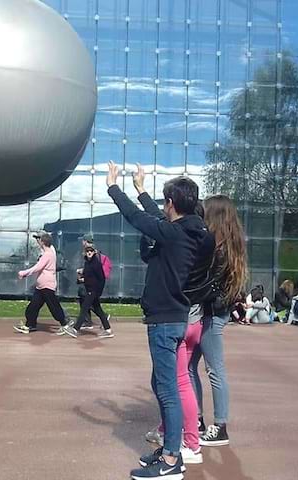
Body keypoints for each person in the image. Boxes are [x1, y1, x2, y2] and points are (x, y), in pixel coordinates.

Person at [106, 161, 208, 479]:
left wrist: (113, 187)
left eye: (165, 203)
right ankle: (169, 450)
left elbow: (139, 219)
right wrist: (141, 189)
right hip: (172, 318)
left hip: (165, 321)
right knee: (161, 384)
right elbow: (154, 217)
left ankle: (171, 459)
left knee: (167, 389)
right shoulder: (188, 231)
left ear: (172, 204)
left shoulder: (175, 235)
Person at [140, 195, 215, 466]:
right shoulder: (201, 238)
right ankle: (173, 436)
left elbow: (152, 222)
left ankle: (188, 445)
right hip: (191, 318)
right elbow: (158, 220)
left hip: (179, 317)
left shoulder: (180, 239)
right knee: (170, 380)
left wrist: (122, 190)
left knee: (176, 384)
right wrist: (142, 193)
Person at [189, 194, 247, 448]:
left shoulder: (218, 248)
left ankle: (219, 425)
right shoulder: (230, 246)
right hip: (214, 312)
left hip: (212, 314)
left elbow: (212, 285)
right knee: (191, 366)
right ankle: (198, 419)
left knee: (213, 369)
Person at [14, 231, 68, 334]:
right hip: (40, 287)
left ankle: (65, 324)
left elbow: (38, 267)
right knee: (32, 307)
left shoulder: (48, 253)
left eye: (39, 239)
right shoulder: (44, 252)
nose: (37, 241)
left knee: (54, 307)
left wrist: (24, 273)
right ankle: (30, 325)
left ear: (43, 241)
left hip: (47, 286)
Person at [62, 245, 114, 339]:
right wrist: (81, 279)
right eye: (87, 251)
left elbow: (101, 279)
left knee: (84, 309)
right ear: (85, 252)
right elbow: (89, 277)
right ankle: (108, 330)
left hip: (93, 291)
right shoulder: (87, 263)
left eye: (91, 251)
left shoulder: (96, 264)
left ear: (94, 252)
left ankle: (75, 329)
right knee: (98, 310)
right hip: (89, 290)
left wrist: (98, 292)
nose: (89, 253)